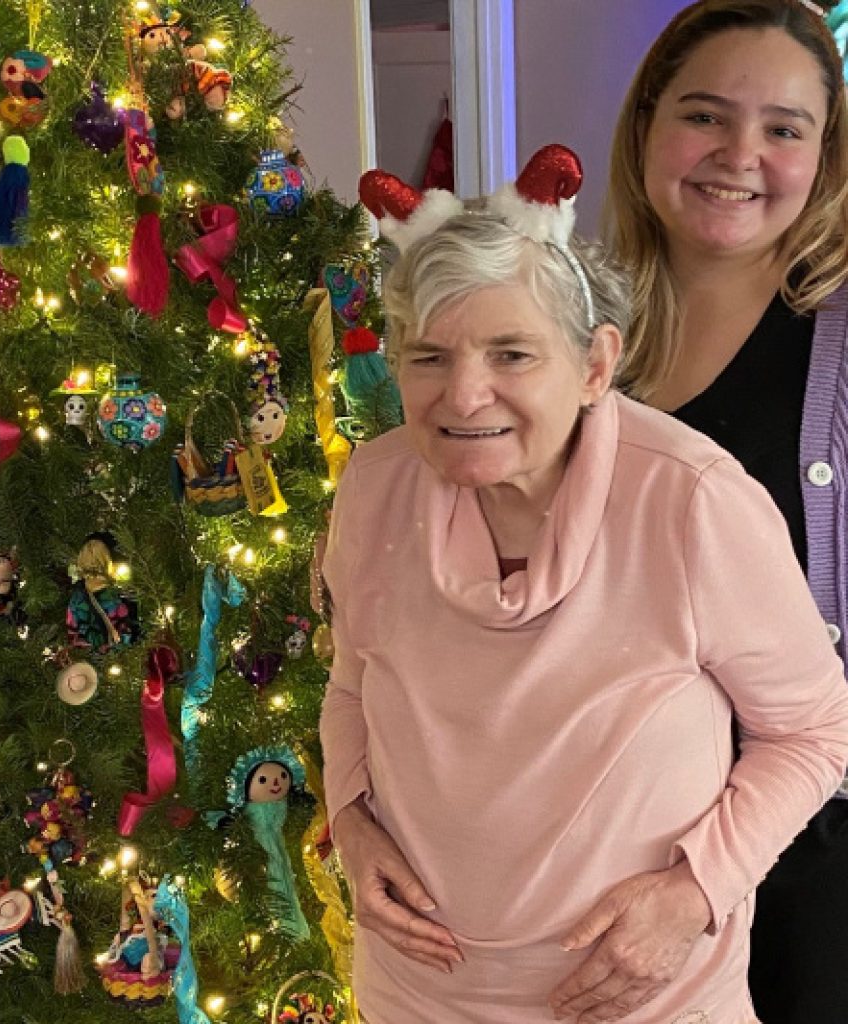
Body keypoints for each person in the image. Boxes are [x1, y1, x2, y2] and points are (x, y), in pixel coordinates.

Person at [318, 144, 848, 1024]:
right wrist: (351, 820)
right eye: (428, 357)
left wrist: (693, 895)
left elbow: (817, 732)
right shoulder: (376, 489)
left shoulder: (693, 500)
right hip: (417, 997)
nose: (465, 396)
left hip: (648, 1002)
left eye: (513, 354)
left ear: (596, 364)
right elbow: (352, 684)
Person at [605, 2, 848, 1020]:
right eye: (704, 116)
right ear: (649, 128)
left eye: (784, 128)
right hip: (617, 844)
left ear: (823, 157)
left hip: (813, 856)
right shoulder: (575, 329)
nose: (739, 155)